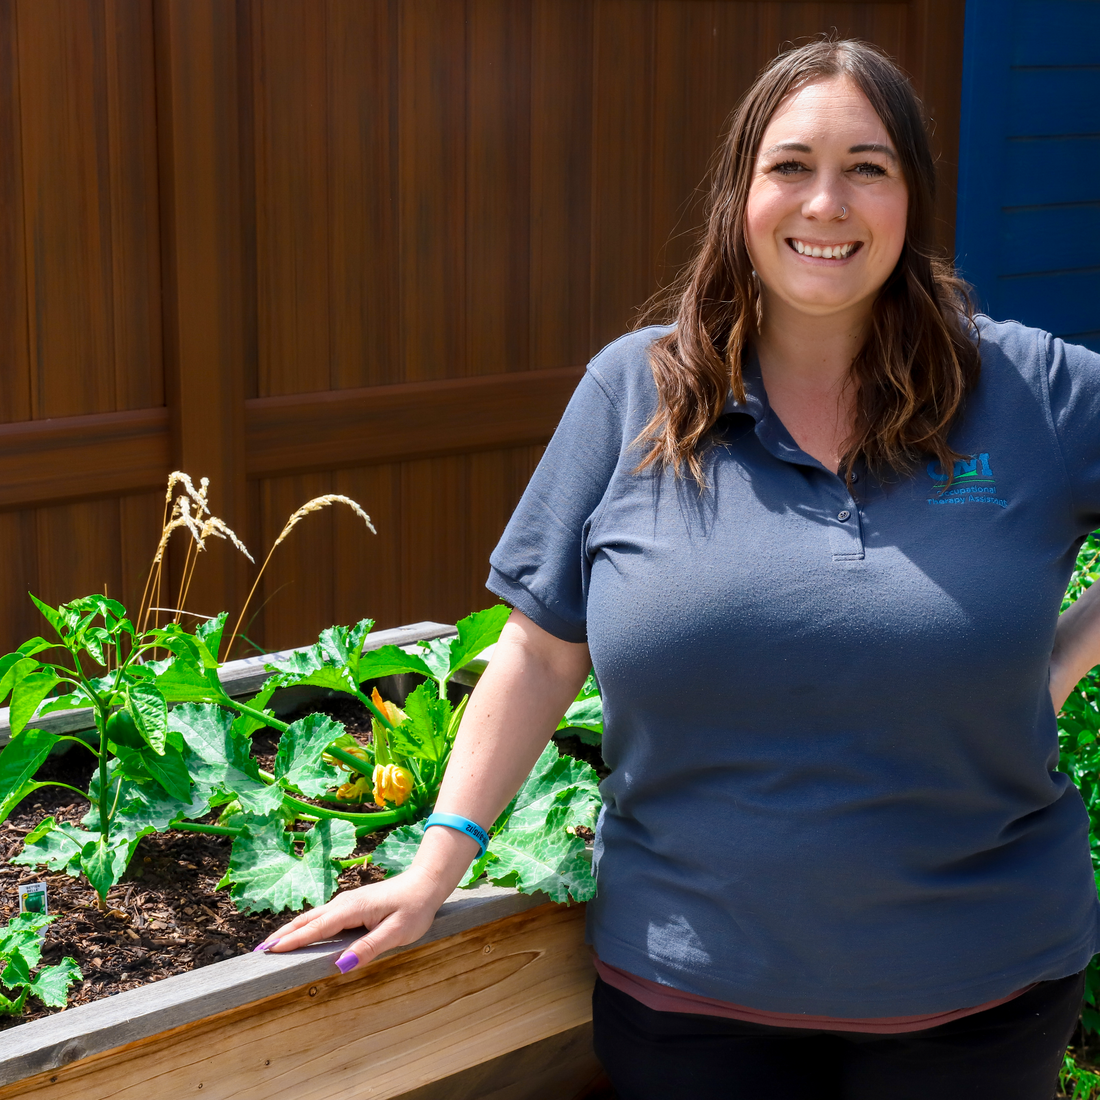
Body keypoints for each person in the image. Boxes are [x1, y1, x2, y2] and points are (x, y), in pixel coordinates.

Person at [257, 38, 1100, 1099]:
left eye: (866, 167)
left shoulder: (1025, 387)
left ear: (911, 195)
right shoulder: (633, 391)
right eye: (790, 165)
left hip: (979, 997)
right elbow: (535, 648)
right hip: (690, 999)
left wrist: (1058, 661)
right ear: (740, 192)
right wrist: (437, 860)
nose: (825, 203)